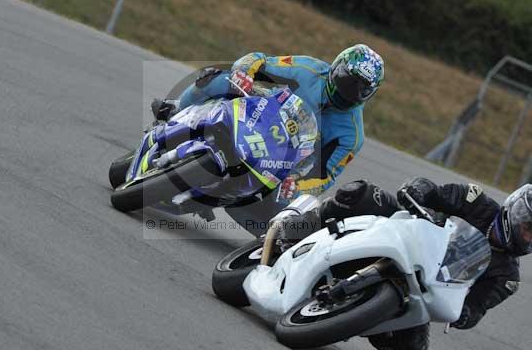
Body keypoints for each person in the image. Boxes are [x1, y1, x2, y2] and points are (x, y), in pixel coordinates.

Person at [152, 45, 385, 228]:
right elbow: (259, 60)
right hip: (258, 116)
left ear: (370, 94)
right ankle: (176, 109)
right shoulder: (308, 70)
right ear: (336, 68)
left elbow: (325, 175)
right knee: (217, 78)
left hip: (282, 163)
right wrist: (243, 73)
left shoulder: (352, 135)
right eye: (347, 81)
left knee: (291, 214)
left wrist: (298, 185)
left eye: (360, 89)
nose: (349, 92)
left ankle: (260, 246)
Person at [320, 178, 531, 350]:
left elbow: (477, 308)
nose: (528, 235)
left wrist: (464, 315)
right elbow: (435, 192)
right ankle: (296, 225)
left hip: (421, 291)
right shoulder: (476, 201)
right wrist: (419, 189)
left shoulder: (507, 278)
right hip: (403, 235)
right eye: (528, 226)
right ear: (516, 209)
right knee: (360, 193)